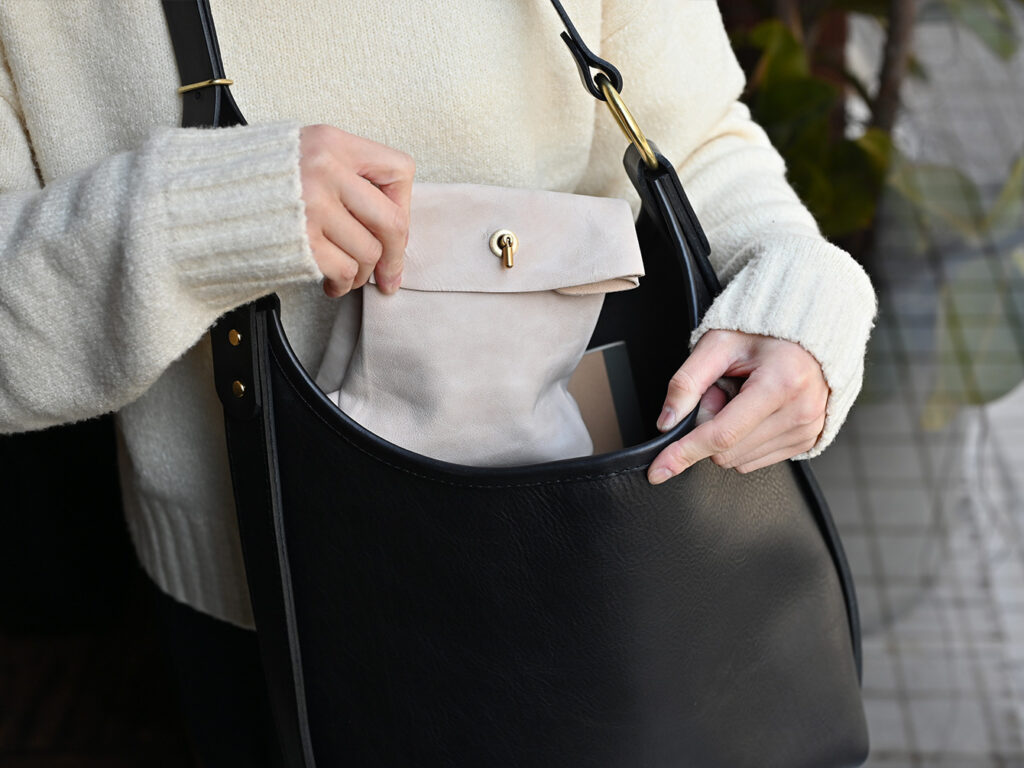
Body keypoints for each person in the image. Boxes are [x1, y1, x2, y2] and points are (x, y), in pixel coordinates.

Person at [0, 0, 876, 763]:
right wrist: (205, 220)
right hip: (267, 614)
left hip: (621, 551)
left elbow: (696, 138)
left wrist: (802, 294)